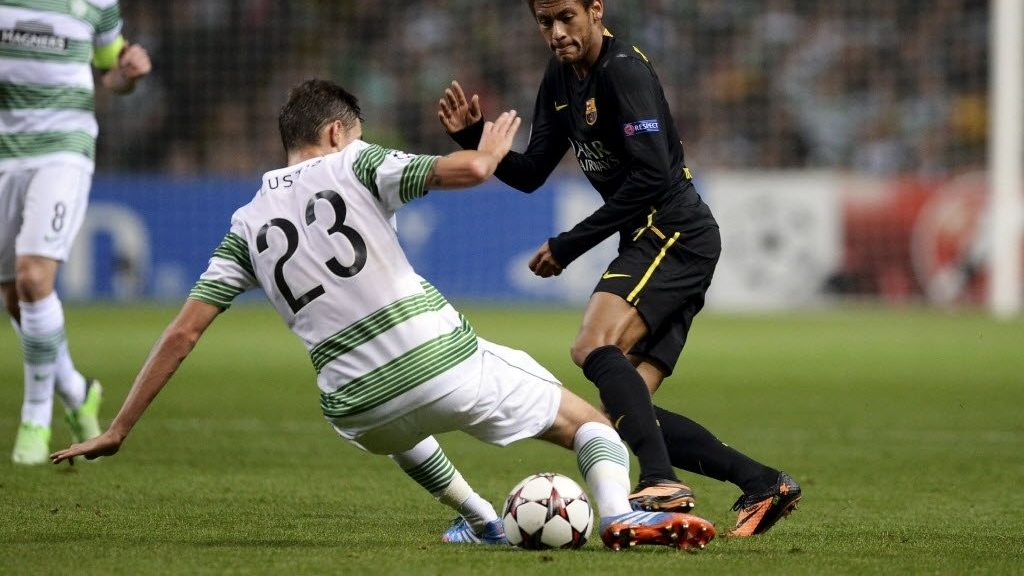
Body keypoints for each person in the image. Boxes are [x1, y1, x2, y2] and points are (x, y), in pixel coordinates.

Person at [50, 79, 716, 551]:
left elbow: (183, 331)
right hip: (443, 366)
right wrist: (484, 155)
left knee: (390, 415)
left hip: (357, 411)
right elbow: (458, 171)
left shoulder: (244, 224)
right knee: (591, 422)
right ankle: (619, 513)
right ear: (337, 132)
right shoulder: (356, 162)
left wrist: (119, 427)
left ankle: (483, 519)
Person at [438, 0, 801, 537]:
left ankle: (660, 480)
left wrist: (571, 244)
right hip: (659, 235)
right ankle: (764, 483)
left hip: (673, 230)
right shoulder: (559, 80)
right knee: (619, 418)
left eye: (566, 18)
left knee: (591, 344)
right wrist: (472, 140)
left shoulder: (623, 70)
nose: (557, 33)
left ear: (595, 11)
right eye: (544, 22)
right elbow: (532, 171)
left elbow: (654, 177)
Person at [1, 0, 152, 465]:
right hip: (4, 153)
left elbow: (110, 75)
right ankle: (76, 391)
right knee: (17, 299)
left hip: (63, 149)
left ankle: (35, 421)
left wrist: (128, 75)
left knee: (36, 278)